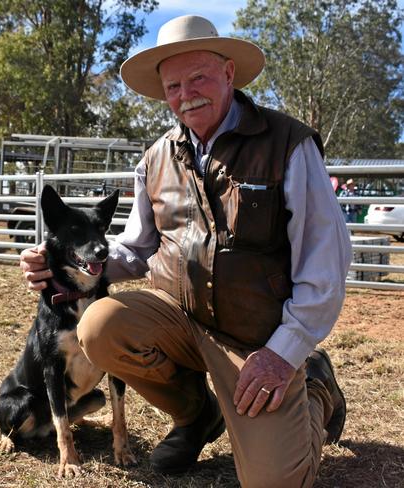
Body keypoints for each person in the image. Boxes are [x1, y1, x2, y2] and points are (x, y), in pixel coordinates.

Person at [20, 14, 352, 487]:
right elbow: (134, 252)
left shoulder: (287, 144)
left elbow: (326, 261)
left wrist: (286, 351)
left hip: (258, 338)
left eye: (198, 77)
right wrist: (61, 263)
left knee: (274, 481)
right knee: (100, 325)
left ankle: (316, 386)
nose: (185, 93)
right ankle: (197, 415)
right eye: (173, 85)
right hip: (180, 319)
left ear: (229, 73)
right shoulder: (155, 159)